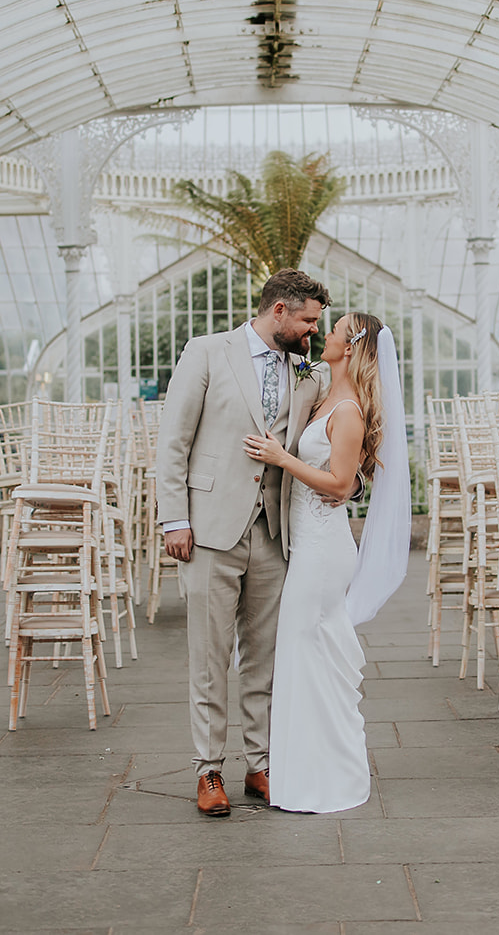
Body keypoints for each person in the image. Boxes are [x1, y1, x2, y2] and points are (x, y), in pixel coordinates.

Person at [157, 268, 332, 817]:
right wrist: (173, 521)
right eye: (306, 321)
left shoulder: (306, 371)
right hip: (209, 529)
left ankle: (260, 764)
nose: (312, 334)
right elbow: (174, 442)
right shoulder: (207, 352)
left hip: (273, 532)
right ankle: (208, 771)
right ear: (278, 310)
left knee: (265, 659)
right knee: (209, 658)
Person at [244, 311, 411, 813]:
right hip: (309, 544)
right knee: (303, 656)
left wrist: (282, 459)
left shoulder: (351, 410)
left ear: (351, 344)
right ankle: (307, 770)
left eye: (334, 329)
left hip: (323, 548)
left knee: (303, 651)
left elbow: (340, 482)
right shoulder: (323, 394)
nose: (324, 334)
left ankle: (330, 777)